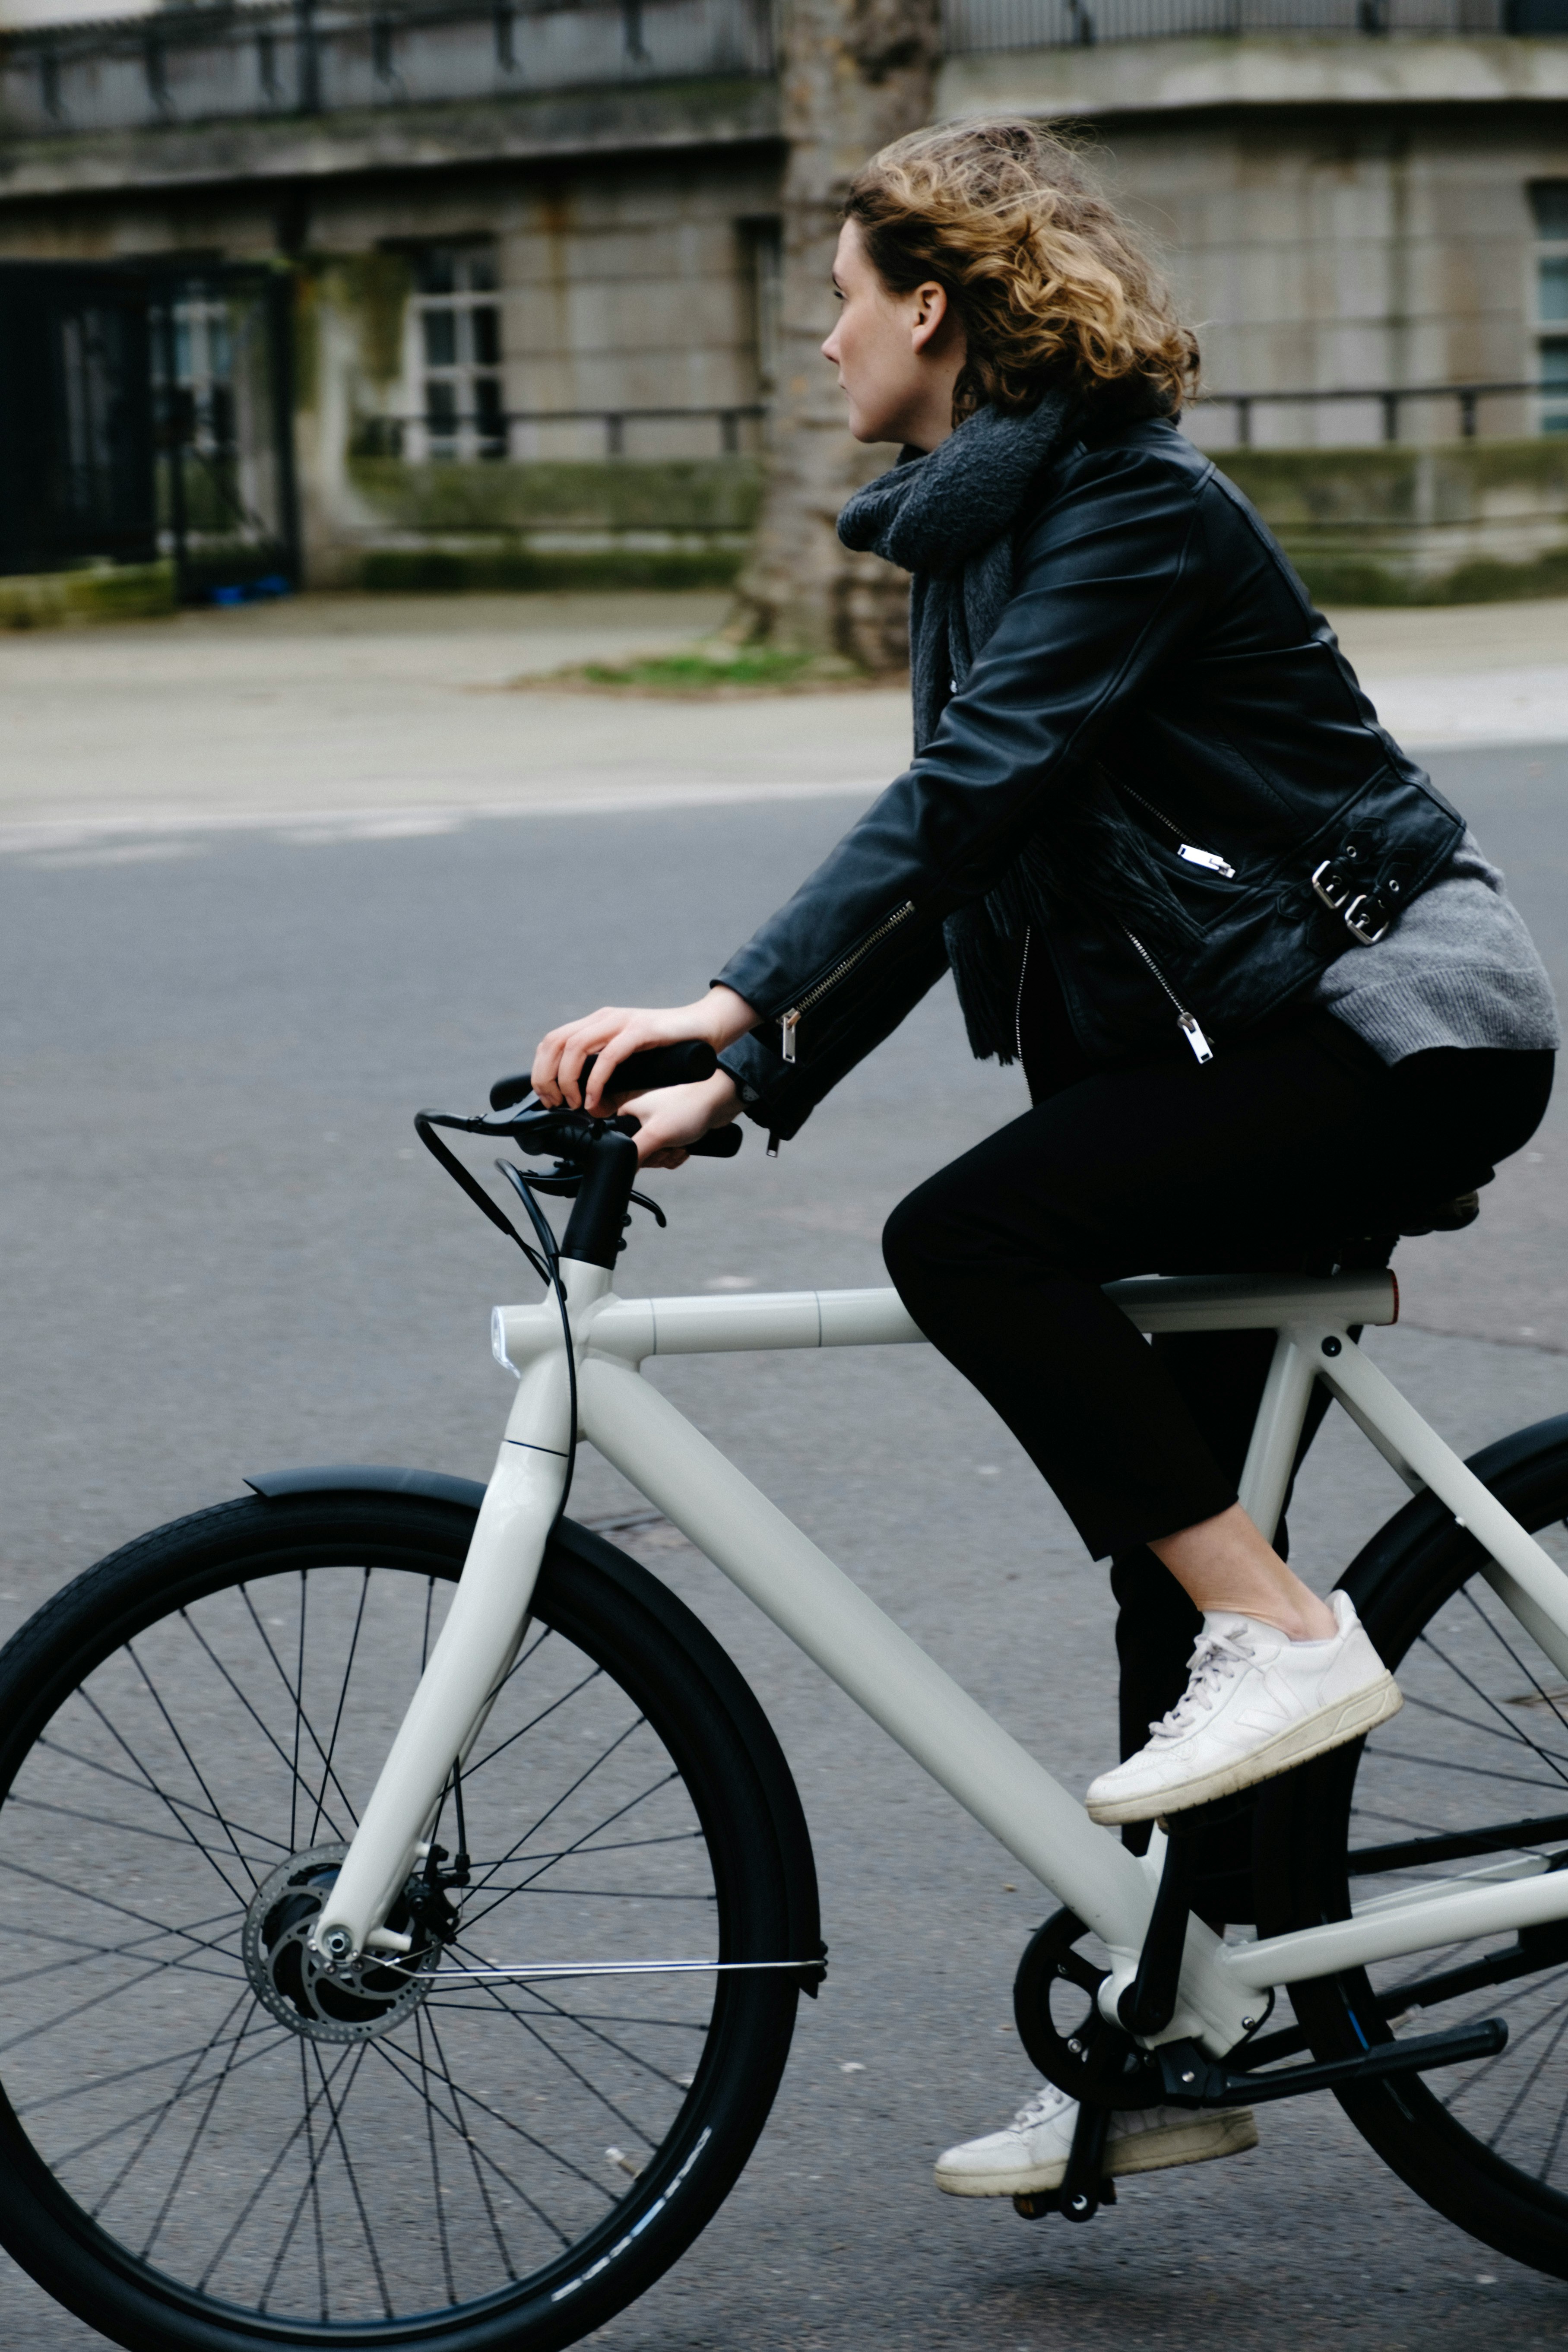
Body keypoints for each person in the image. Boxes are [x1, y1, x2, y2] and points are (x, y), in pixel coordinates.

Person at [530, 120, 1558, 2205]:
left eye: (835, 295)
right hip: (1264, 1044)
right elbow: (972, 861)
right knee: (1149, 1546)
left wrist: (723, 1001)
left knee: (971, 1237)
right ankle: (1183, 2029)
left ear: (932, 305)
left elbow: (967, 795)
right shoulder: (986, 535)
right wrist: (759, 1085)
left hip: (1390, 1035)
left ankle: (1283, 1632)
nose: (817, 341)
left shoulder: (1128, 509)